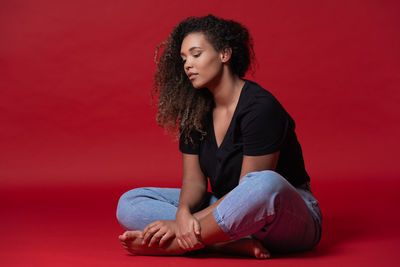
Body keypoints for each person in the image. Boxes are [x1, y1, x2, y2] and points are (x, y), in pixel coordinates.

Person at [116, 14, 322, 259]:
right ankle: (222, 243)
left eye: (196, 54)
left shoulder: (260, 108)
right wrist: (183, 213)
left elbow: (249, 192)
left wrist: (177, 229)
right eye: (184, 59)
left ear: (224, 54)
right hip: (225, 210)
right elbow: (194, 182)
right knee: (130, 202)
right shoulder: (195, 112)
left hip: (280, 214)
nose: (188, 65)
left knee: (265, 182)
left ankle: (180, 244)